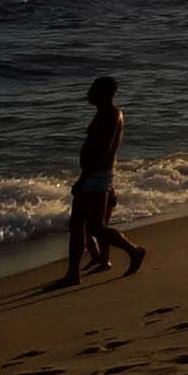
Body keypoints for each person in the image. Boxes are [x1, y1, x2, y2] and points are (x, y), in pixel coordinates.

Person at [57, 77, 145, 287]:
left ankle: (75, 274)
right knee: (92, 227)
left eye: (93, 90)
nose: (89, 93)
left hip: (95, 176)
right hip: (99, 176)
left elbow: (103, 151)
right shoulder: (107, 114)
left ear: (104, 93)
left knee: (83, 225)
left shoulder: (110, 115)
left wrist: (84, 178)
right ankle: (131, 252)